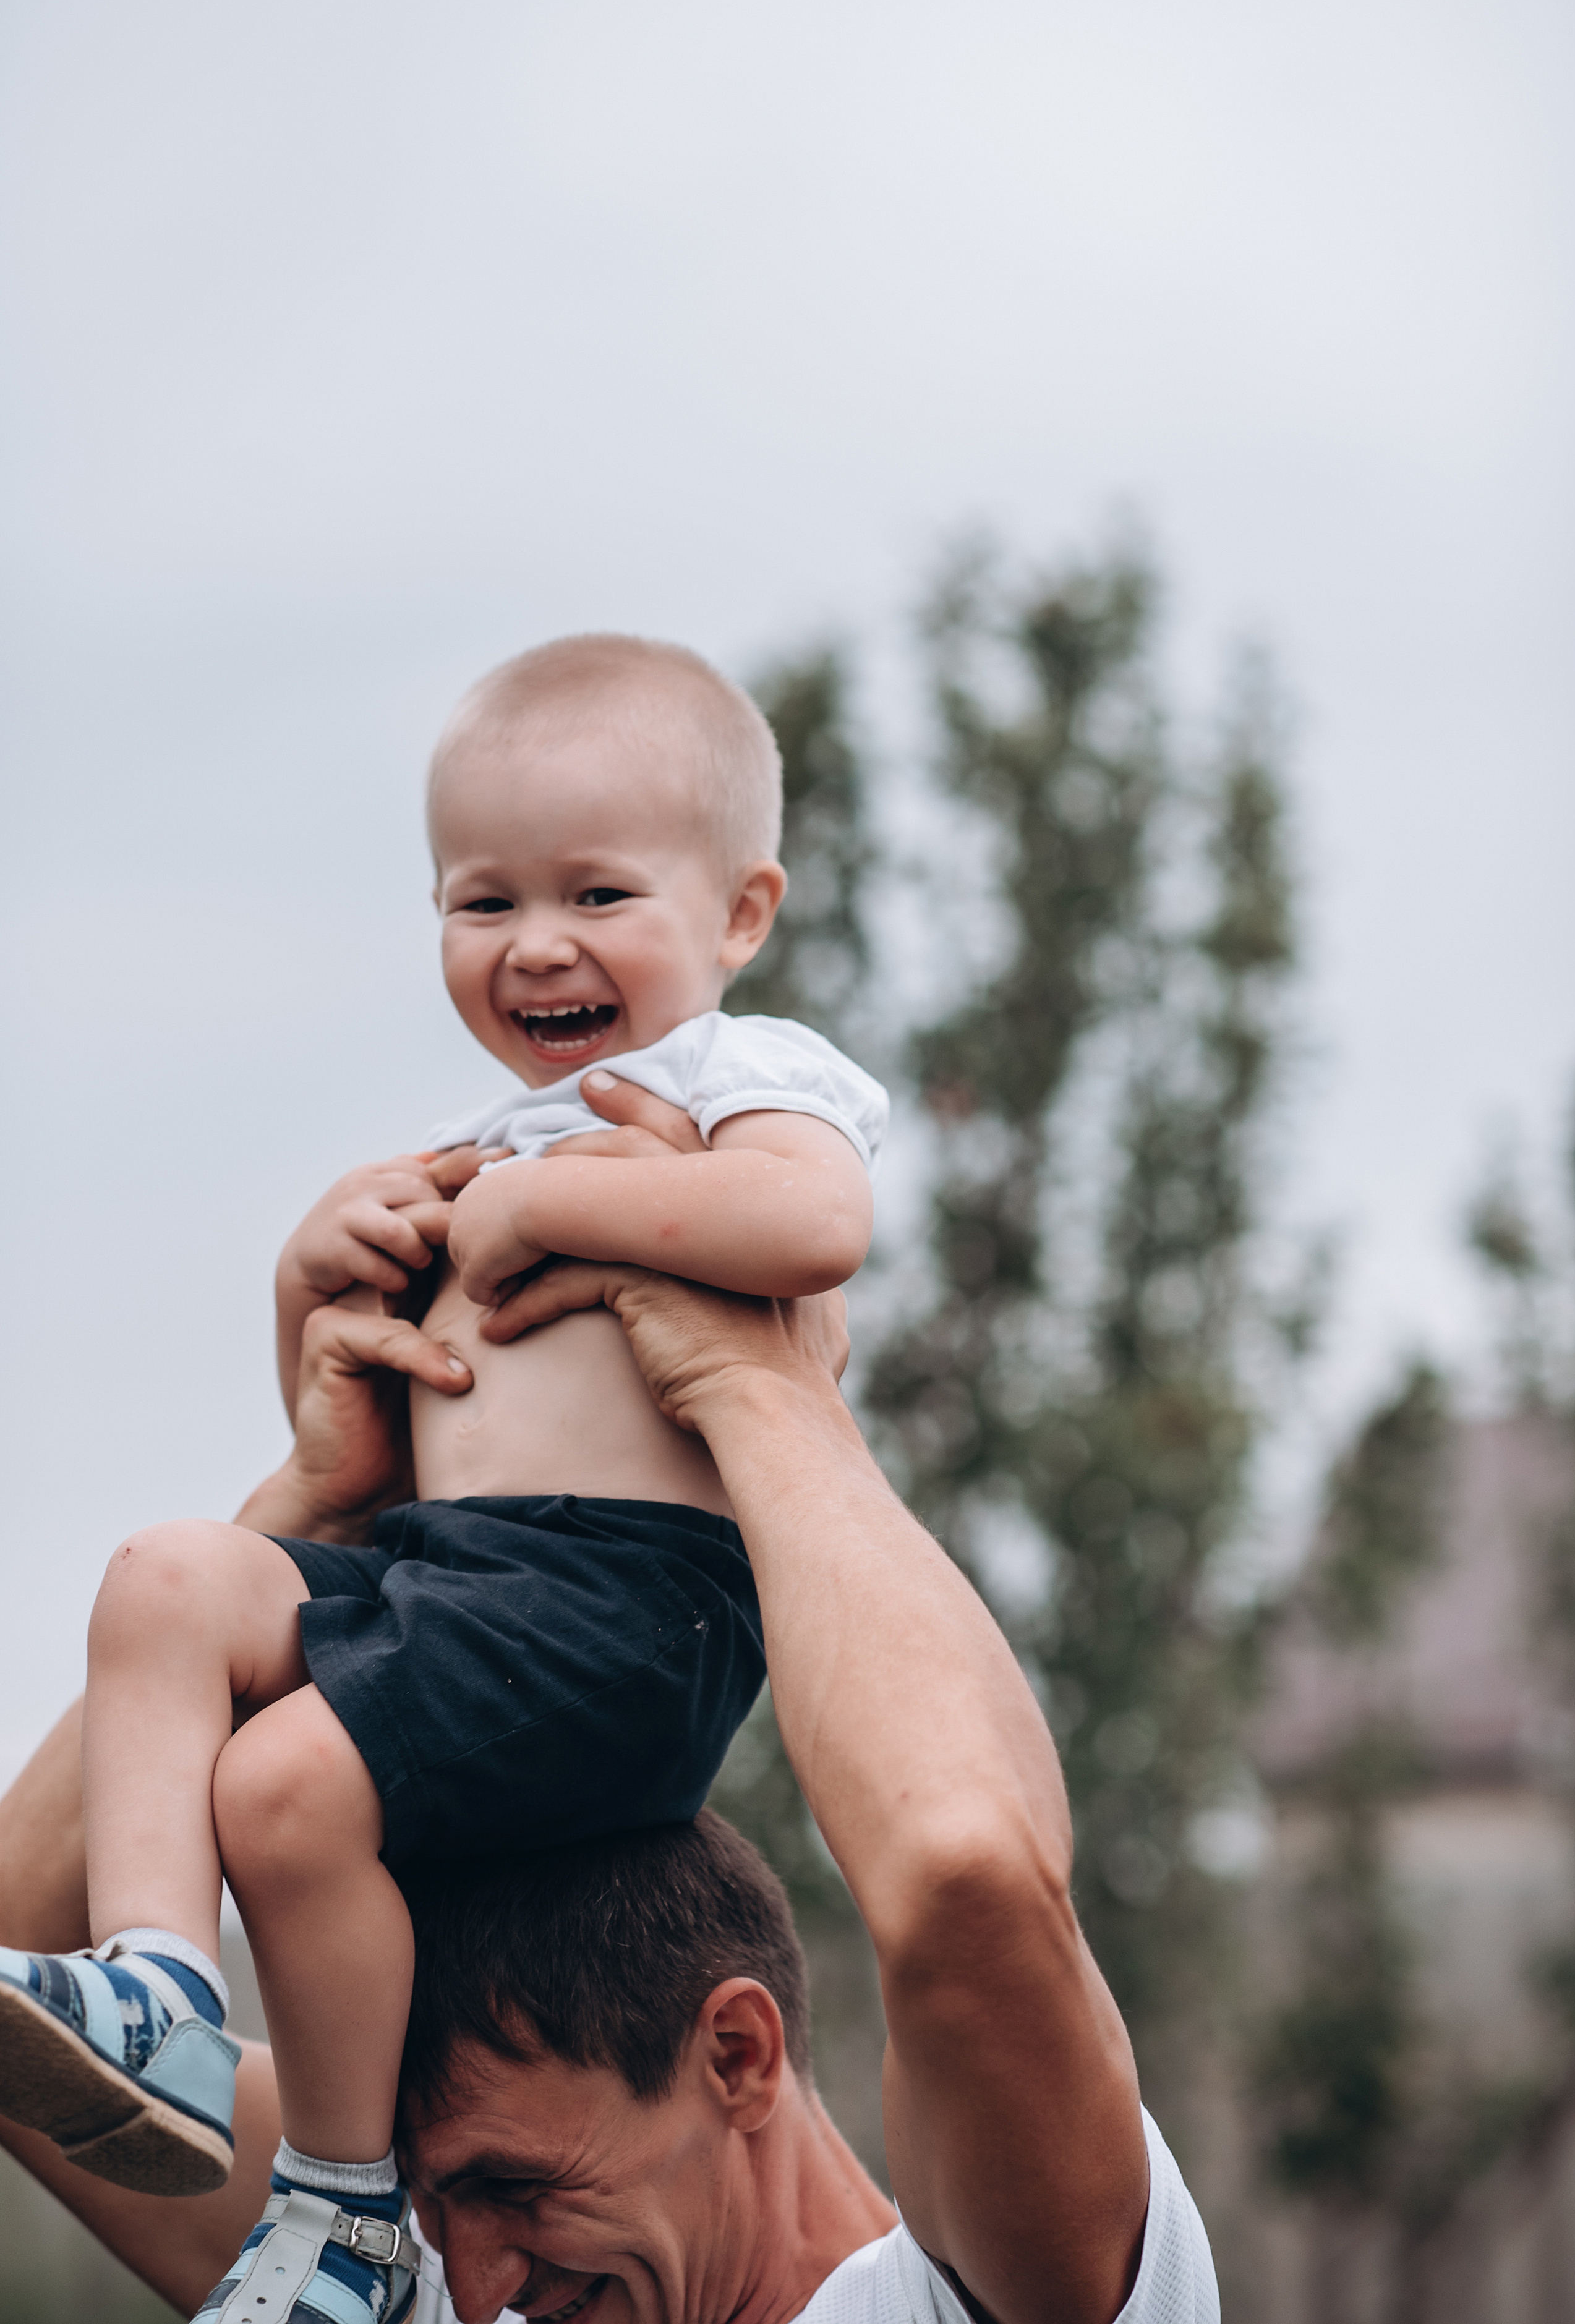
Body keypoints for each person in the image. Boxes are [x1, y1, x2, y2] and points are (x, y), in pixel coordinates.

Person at [0, 1083, 1218, 2324]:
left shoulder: (985, 2303)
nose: (469, 2293)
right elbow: (26, 1995)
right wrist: (318, 1514)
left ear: (735, 2054)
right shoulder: (398, 2287)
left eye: (509, 2186)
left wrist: (752, 1385)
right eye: (423, 2208)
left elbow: (966, 1873)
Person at [0, 636, 887, 2324]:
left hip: (627, 1609)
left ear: (743, 914)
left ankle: (337, 2208)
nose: (537, 943)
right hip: (455, 1572)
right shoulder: (498, 1135)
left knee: (283, 1793)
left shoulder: (730, 1084)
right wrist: (318, 1293)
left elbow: (817, 1225)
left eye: (599, 893)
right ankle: (161, 1993)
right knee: (165, 1579)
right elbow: (418, 1436)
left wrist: (564, 1210)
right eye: (482, 904)